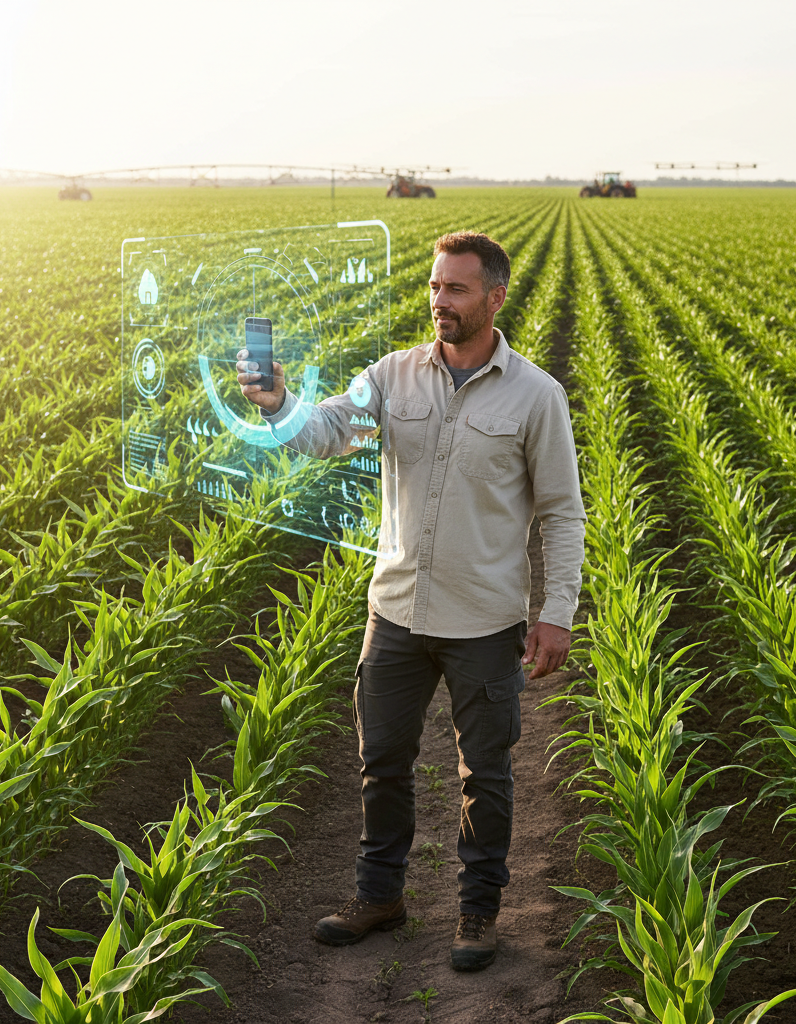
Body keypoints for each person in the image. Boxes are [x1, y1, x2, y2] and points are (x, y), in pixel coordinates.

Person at [235, 232, 586, 972]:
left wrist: (557, 612)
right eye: (434, 287)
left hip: (485, 620)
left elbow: (561, 511)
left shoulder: (536, 396)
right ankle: (379, 895)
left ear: (494, 297)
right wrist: (278, 404)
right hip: (395, 611)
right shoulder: (393, 378)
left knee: (483, 773)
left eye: (456, 290)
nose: (439, 301)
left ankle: (478, 909)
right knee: (381, 761)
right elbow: (330, 432)